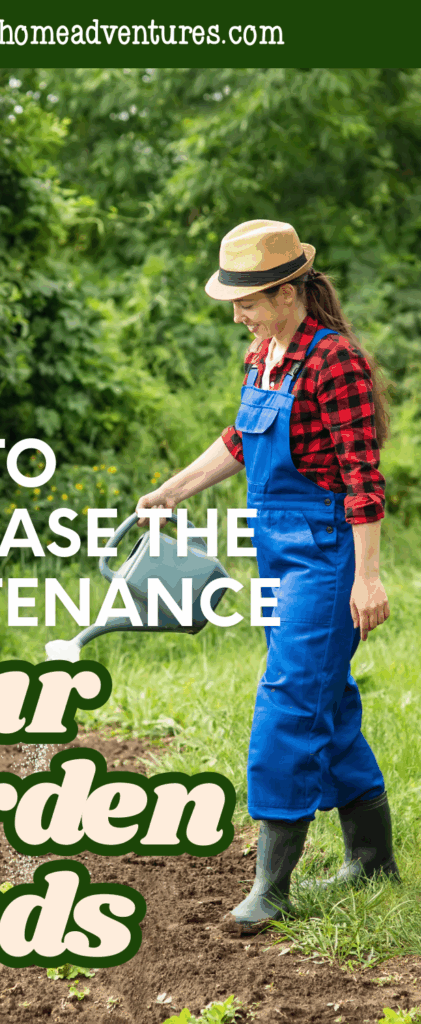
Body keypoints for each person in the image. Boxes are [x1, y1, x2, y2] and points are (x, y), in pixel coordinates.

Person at [136, 219, 399, 935]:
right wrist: (173, 489)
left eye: (247, 300)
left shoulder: (332, 360)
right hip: (279, 554)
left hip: (326, 554)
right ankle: (371, 858)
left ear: (287, 292)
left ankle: (270, 886)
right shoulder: (265, 355)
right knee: (325, 698)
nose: (237, 314)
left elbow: (361, 477)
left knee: (286, 703)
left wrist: (366, 579)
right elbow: (237, 438)